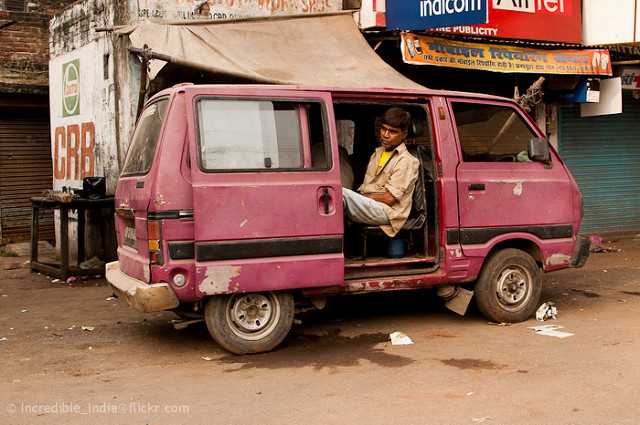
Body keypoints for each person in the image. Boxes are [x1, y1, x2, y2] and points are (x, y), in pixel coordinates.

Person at [342, 107, 420, 238]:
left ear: (404, 134)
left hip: (388, 212)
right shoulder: (378, 153)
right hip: (372, 205)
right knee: (330, 193)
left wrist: (361, 197)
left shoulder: (406, 161)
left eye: (392, 131)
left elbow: (388, 198)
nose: (385, 134)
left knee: (338, 194)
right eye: (383, 128)